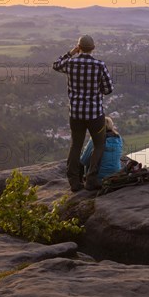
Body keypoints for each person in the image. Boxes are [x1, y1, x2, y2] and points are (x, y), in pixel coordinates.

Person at [53, 35, 113, 192]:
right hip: (95, 114)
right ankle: (91, 179)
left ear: (79, 47)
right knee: (99, 144)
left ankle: (74, 182)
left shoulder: (71, 63)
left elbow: (55, 65)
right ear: (94, 48)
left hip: (76, 114)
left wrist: (71, 53)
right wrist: (96, 89)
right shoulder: (99, 65)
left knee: (76, 146)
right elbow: (108, 89)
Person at [80, 117, 123, 181]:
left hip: (99, 178)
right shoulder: (118, 138)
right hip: (116, 174)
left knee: (81, 157)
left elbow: (84, 160)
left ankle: (81, 182)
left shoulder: (95, 139)